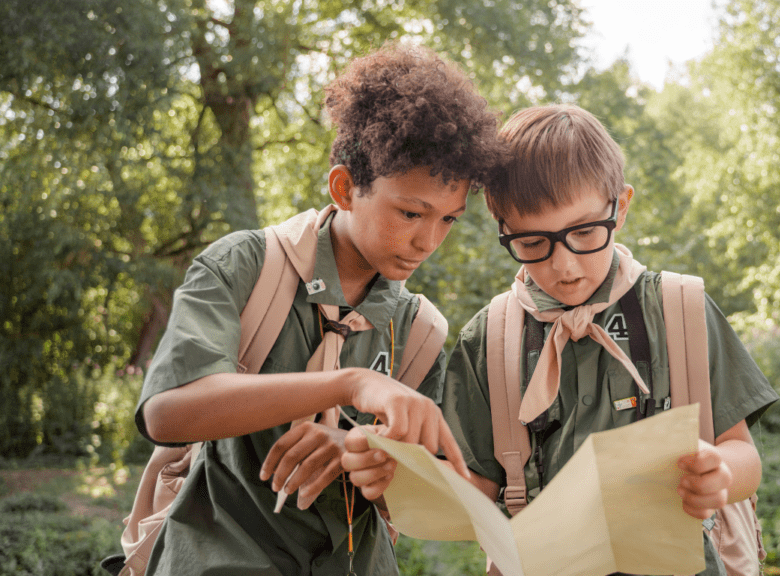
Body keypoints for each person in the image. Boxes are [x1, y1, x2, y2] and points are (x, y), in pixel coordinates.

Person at [133, 44, 505, 576]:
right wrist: (348, 385)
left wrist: (367, 454)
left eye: (449, 220)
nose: (428, 240)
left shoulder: (419, 330)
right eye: (410, 212)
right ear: (345, 187)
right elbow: (167, 412)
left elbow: (429, 492)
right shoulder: (243, 266)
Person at [424, 103, 777, 575]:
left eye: (585, 232)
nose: (564, 266)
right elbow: (479, 486)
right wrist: (406, 480)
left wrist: (721, 473)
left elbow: (743, 455)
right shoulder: (490, 338)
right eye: (532, 244)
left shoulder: (679, 308)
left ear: (621, 207)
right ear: (503, 230)